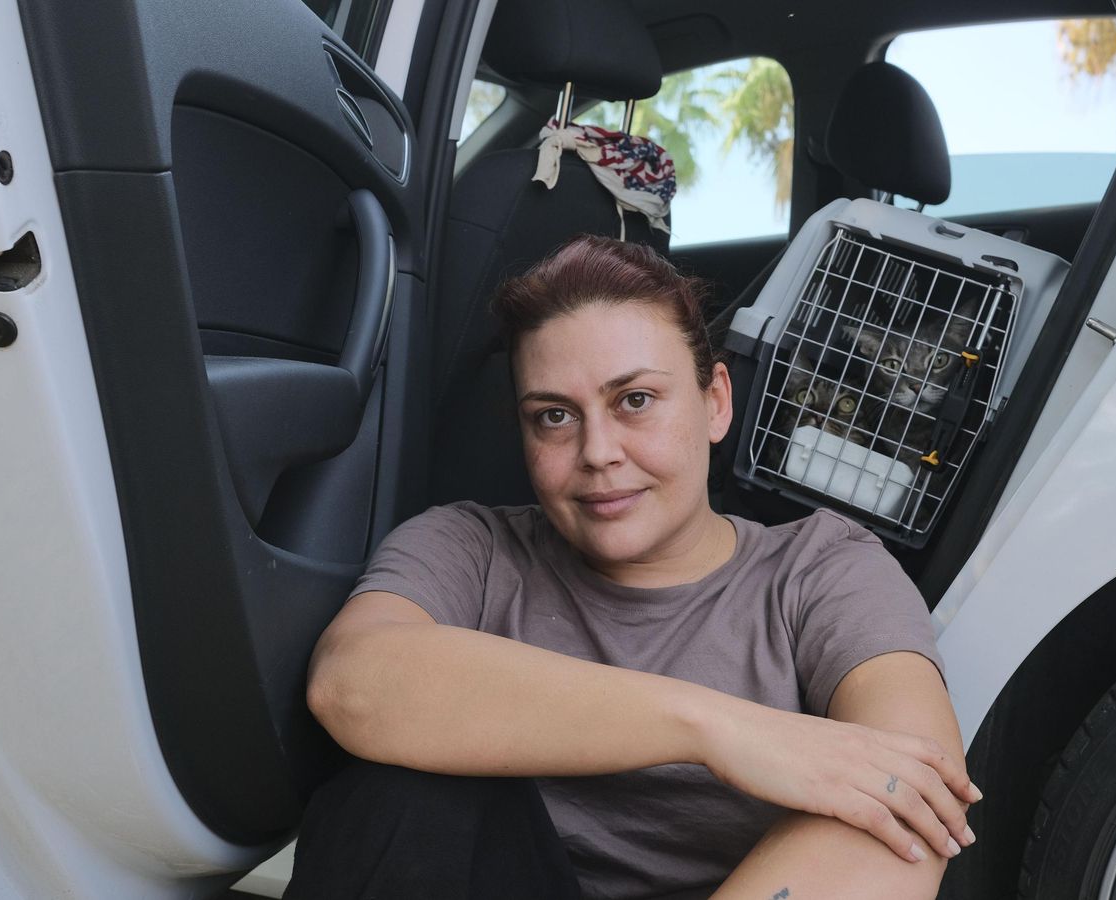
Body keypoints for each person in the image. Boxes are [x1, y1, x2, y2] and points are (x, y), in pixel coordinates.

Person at [287, 235, 980, 900]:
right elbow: (354, 685)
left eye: (635, 401)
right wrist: (718, 729)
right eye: (555, 416)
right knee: (400, 793)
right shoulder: (468, 547)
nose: (598, 452)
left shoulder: (824, 571)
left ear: (715, 402)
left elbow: (917, 797)